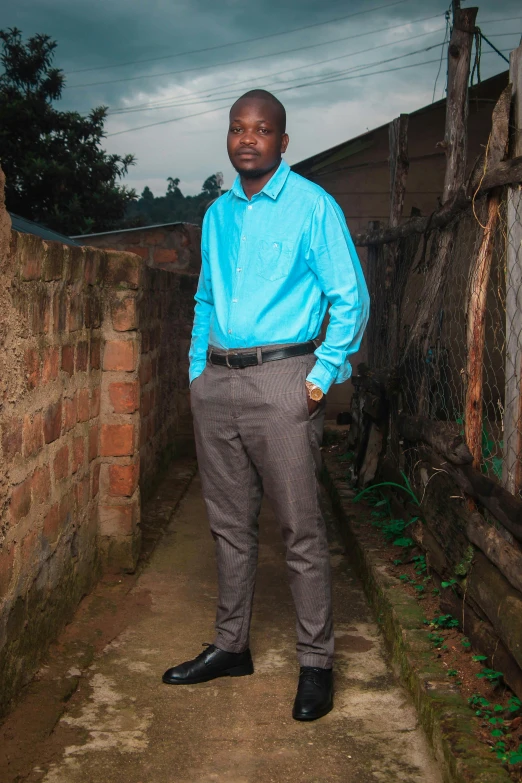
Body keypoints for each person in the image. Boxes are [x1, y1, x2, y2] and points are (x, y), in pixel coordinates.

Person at [162, 89, 369, 721]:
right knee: (228, 526)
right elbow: (204, 300)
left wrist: (320, 377)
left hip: (285, 380)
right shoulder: (218, 215)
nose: (247, 139)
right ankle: (232, 646)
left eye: (262, 130)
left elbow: (350, 297)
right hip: (218, 384)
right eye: (237, 129)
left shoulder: (313, 206)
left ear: (283, 142)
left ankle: (316, 661)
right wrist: (198, 373)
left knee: (300, 529)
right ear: (229, 139)